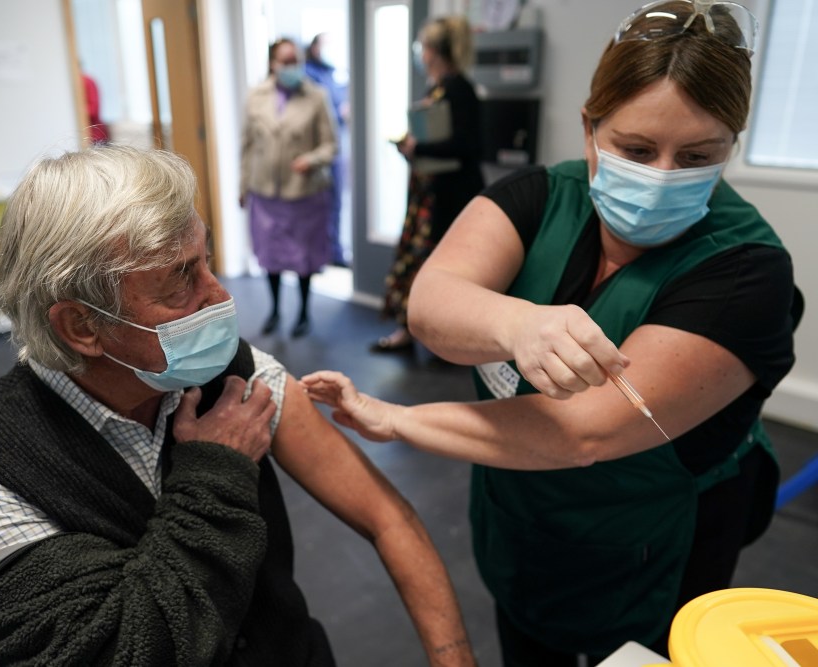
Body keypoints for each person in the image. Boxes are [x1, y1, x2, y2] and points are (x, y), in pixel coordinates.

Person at [303, 2, 804, 664]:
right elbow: (430, 305)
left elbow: (583, 432)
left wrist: (400, 420)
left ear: (730, 150)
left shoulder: (745, 273)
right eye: (634, 148)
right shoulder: (540, 194)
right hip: (524, 521)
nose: (660, 178)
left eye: (697, 156)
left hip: (652, 543)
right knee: (528, 632)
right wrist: (517, 321)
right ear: (589, 127)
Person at [0, 145, 478, 666]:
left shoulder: (235, 374)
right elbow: (124, 651)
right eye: (180, 281)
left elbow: (389, 520)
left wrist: (454, 657)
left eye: (206, 259)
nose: (220, 296)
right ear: (82, 326)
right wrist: (216, 471)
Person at [373, 16, 483, 353]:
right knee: (417, 262)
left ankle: (440, 341)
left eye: (423, 48)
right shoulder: (438, 88)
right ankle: (411, 332)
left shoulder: (458, 90)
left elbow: (466, 146)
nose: (420, 54)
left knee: (438, 267)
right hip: (428, 196)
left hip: (446, 199)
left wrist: (417, 148)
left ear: (433, 51)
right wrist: (412, 148)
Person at [240, 37, 337, 339]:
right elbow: (246, 146)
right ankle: (275, 310)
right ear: (273, 63)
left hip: (304, 193)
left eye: (295, 60)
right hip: (266, 192)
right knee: (271, 256)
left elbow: (331, 144)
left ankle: (304, 312)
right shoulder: (256, 96)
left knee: (304, 258)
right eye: (285, 61)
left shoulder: (316, 96)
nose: (291, 66)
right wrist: (242, 186)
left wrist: (311, 159)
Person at [304, 32, 349, 267]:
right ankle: (323, 253)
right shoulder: (308, 76)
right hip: (315, 154)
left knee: (336, 203)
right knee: (320, 207)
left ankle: (335, 252)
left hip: (334, 147)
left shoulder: (332, 74)